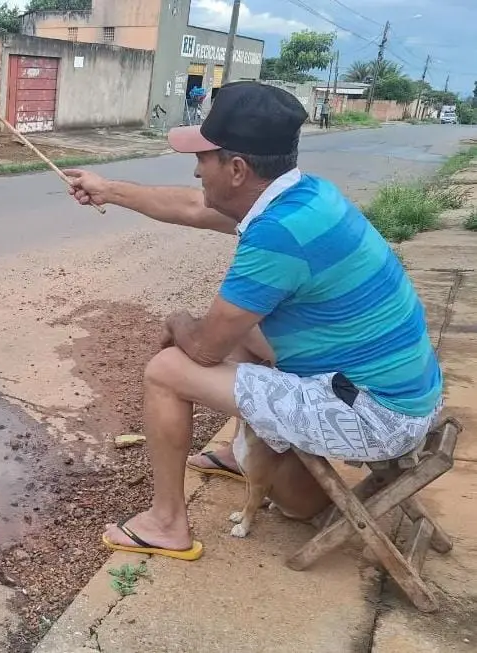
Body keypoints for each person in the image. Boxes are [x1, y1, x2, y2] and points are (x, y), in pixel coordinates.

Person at [64, 81, 444, 561]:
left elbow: (204, 349)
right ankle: (240, 453)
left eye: (204, 157)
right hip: (403, 392)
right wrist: (109, 189)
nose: (196, 168)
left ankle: (166, 523)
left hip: (377, 415)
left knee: (167, 371)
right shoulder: (305, 197)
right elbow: (191, 206)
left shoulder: (277, 236)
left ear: (237, 168)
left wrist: (177, 320)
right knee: (240, 325)